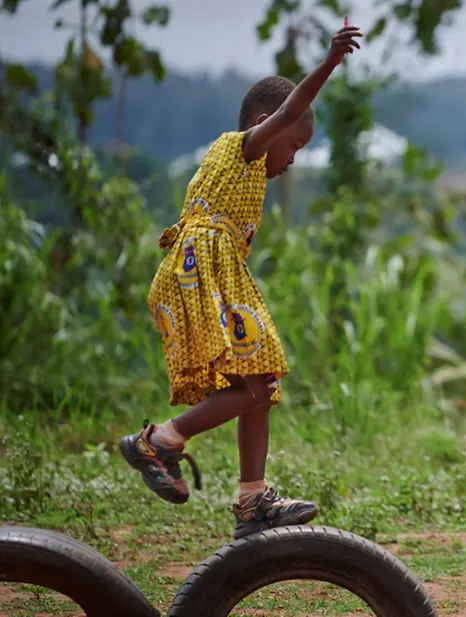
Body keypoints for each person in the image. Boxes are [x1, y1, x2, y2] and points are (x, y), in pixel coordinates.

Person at [118, 23, 364, 540]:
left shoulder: (250, 170)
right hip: (203, 270)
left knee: (259, 384)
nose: (292, 157)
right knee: (259, 380)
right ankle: (160, 441)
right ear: (266, 124)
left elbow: (291, 121)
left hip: (206, 271)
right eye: (294, 144)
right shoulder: (243, 148)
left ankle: (252, 499)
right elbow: (292, 110)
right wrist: (329, 64)